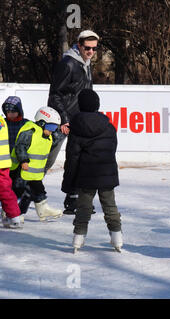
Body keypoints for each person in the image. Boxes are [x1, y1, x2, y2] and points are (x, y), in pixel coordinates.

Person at [61, 89, 122, 253]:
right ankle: (117, 237)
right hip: (106, 173)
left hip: (86, 176)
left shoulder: (77, 128)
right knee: (110, 206)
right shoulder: (109, 127)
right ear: (97, 105)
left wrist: (68, 183)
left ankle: (78, 238)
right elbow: (112, 150)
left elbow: (72, 157)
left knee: (83, 207)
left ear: (80, 106)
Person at [47, 29, 100, 214]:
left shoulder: (86, 64)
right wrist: (64, 119)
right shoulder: (68, 63)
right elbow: (55, 94)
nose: (91, 52)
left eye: (94, 49)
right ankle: (22, 191)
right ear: (79, 46)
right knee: (45, 158)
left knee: (77, 159)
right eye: (87, 48)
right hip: (64, 121)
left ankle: (73, 198)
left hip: (80, 120)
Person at [10, 106, 63, 222]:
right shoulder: (30, 132)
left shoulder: (46, 136)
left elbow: (52, 143)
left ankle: (42, 209)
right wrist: (24, 160)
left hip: (34, 173)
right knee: (17, 191)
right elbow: (20, 146)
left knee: (39, 189)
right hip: (21, 169)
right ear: (41, 122)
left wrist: (63, 133)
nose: (52, 131)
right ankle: (10, 213)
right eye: (51, 127)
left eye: (55, 128)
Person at [0, 111, 22, 229]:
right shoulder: (1, 120)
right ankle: (14, 217)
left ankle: (14, 217)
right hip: (3, 162)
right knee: (5, 191)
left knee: (4, 191)